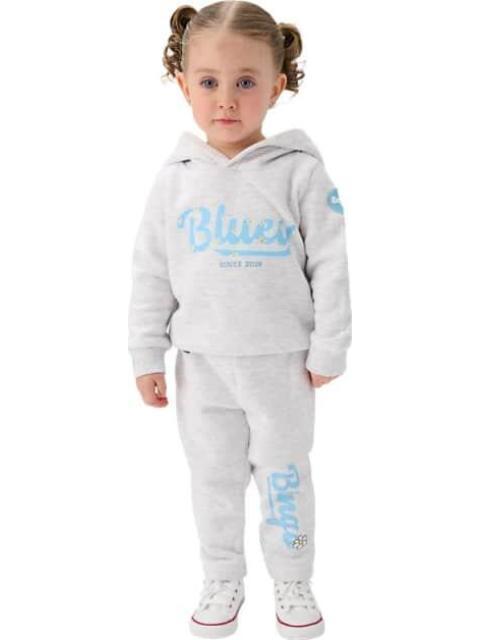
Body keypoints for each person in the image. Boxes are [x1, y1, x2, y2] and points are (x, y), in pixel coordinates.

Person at [127, 2, 352, 637]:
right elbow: (151, 272)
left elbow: (330, 265)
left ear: (276, 87)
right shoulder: (174, 180)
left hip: (282, 366)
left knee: (285, 476)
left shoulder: (301, 173)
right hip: (201, 368)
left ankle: (293, 575)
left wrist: (330, 346)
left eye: (245, 82)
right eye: (209, 81)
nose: (226, 99)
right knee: (214, 480)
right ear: (184, 85)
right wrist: (145, 353)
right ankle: (221, 574)